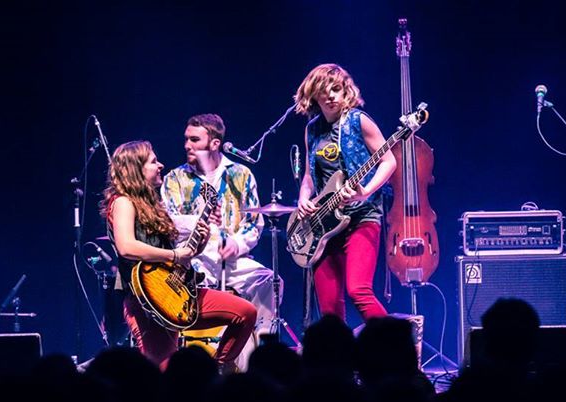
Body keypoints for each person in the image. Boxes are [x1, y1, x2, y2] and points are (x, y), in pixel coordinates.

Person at [101, 140, 256, 372]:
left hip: (176, 293)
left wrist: (199, 242)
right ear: (136, 169)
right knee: (162, 372)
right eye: (153, 161)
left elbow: (182, 256)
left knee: (244, 313)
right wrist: (174, 255)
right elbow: (126, 247)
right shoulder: (123, 201)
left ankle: (216, 370)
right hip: (147, 300)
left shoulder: (153, 205)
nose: (161, 165)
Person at [161, 113, 281, 371]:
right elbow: (168, 222)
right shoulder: (174, 179)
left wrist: (236, 244)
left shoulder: (241, 175)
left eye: (194, 139)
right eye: (186, 139)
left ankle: (252, 360)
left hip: (233, 259)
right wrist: (197, 220)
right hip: (194, 260)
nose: (187, 145)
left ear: (215, 143)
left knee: (270, 281)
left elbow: (254, 221)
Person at [294, 63, 396, 323]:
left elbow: (388, 161)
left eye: (336, 89)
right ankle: (338, 361)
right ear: (313, 95)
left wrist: (366, 191)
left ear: (346, 91)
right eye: (323, 90)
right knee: (329, 308)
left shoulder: (358, 120)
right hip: (324, 225)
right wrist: (304, 199)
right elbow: (308, 176)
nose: (330, 95)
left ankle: (396, 349)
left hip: (362, 217)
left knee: (358, 290)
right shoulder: (312, 129)